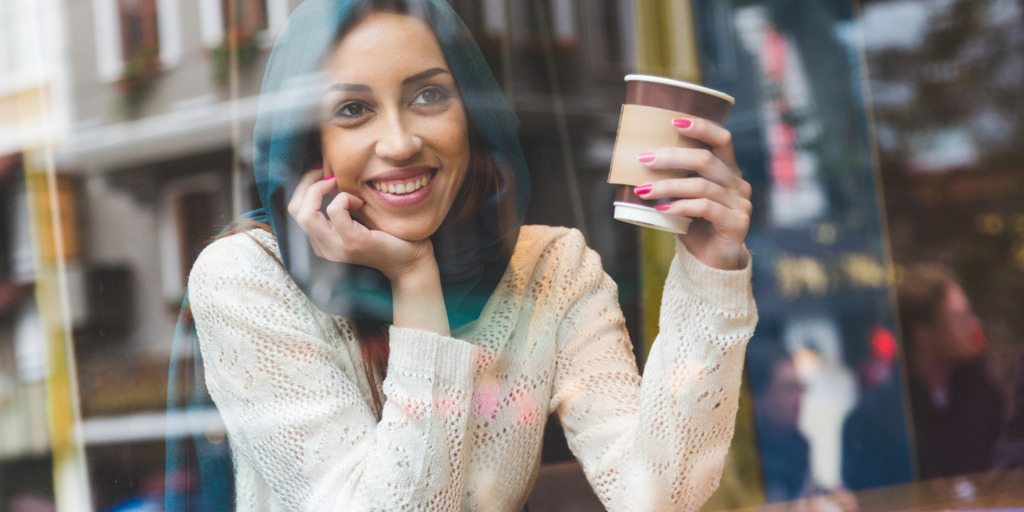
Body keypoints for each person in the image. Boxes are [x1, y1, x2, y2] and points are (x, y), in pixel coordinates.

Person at [176, 0, 757, 510]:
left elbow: (657, 495)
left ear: (472, 115)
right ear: (311, 143)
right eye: (353, 110)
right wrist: (414, 280)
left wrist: (711, 270)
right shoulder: (247, 280)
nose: (401, 143)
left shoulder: (553, 270)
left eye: (429, 95)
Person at [895, 263, 1003, 479]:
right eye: (960, 317)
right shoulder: (892, 415)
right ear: (923, 333)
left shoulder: (983, 394)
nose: (974, 323)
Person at [746, 341, 814, 502]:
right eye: (788, 389)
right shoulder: (742, 458)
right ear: (756, 398)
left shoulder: (798, 446)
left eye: (800, 388)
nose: (798, 399)